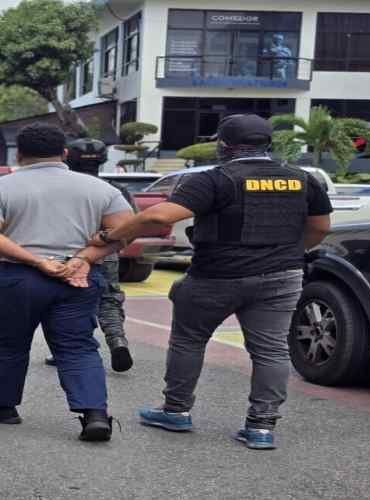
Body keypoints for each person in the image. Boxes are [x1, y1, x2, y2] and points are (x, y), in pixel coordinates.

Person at [91, 114, 333, 450]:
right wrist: (287, 254)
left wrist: (112, 235)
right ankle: (261, 426)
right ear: (268, 144)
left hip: (216, 275)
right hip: (282, 277)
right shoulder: (302, 179)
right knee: (271, 349)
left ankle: (176, 410)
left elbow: (160, 216)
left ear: (223, 145)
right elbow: (320, 227)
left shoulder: (216, 179)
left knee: (189, 340)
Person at [0, 123, 134, 442]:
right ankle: (94, 414)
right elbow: (126, 230)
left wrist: (36, 260)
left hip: (19, 277)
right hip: (78, 277)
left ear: (20, 153)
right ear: (65, 153)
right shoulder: (100, 189)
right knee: (78, 346)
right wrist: (83, 258)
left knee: (7, 344)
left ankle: (2, 407)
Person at [44, 138, 133, 372]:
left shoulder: (60, 189)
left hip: (69, 253)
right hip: (107, 252)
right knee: (110, 297)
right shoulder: (114, 190)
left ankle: (68, 348)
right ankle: (117, 340)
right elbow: (132, 224)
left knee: (70, 300)